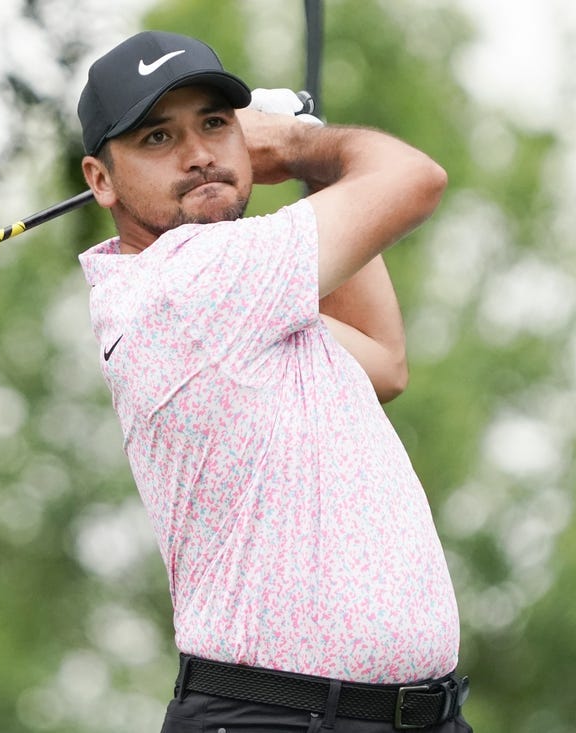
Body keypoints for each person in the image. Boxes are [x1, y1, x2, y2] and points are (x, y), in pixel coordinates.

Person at [76, 31, 471, 732]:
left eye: (215, 124)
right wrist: (294, 146)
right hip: (275, 717)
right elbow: (415, 178)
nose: (198, 154)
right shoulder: (190, 280)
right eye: (158, 137)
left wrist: (309, 152)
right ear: (100, 179)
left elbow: (382, 359)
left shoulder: (241, 304)